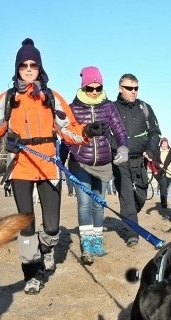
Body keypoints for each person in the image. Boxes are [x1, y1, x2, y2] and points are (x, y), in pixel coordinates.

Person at [0, 38, 104, 294]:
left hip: (49, 166)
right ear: (17, 68)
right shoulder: (7, 100)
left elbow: (68, 130)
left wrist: (87, 132)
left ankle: (47, 246)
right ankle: (33, 274)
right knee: (25, 225)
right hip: (22, 168)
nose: (28, 69)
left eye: (33, 65)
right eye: (24, 64)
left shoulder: (52, 98)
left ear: (40, 68)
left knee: (51, 227)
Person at [64, 65, 129, 265]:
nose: (94, 92)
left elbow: (120, 131)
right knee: (84, 203)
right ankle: (86, 244)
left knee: (99, 204)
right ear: (83, 87)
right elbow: (66, 136)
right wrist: (61, 161)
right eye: (89, 88)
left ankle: (97, 241)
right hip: (79, 163)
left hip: (103, 163)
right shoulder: (72, 108)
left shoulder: (109, 107)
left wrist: (123, 148)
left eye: (97, 88)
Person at [113, 74, 162, 246]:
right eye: (129, 88)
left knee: (140, 196)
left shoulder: (145, 108)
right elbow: (105, 133)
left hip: (140, 160)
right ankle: (132, 234)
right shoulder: (112, 109)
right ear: (120, 88)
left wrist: (150, 150)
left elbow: (155, 132)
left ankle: (129, 217)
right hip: (120, 162)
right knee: (126, 196)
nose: (133, 91)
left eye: (136, 88)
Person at [155, 136, 171, 209]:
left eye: (166, 143)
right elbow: (154, 161)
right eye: (163, 143)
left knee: (165, 187)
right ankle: (164, 204)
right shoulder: (157, 151)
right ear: (160, 144)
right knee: (163, 186)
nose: (164, 145)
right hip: (160, 172)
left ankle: (160, 188)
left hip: (170, 172)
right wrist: (159, 164)